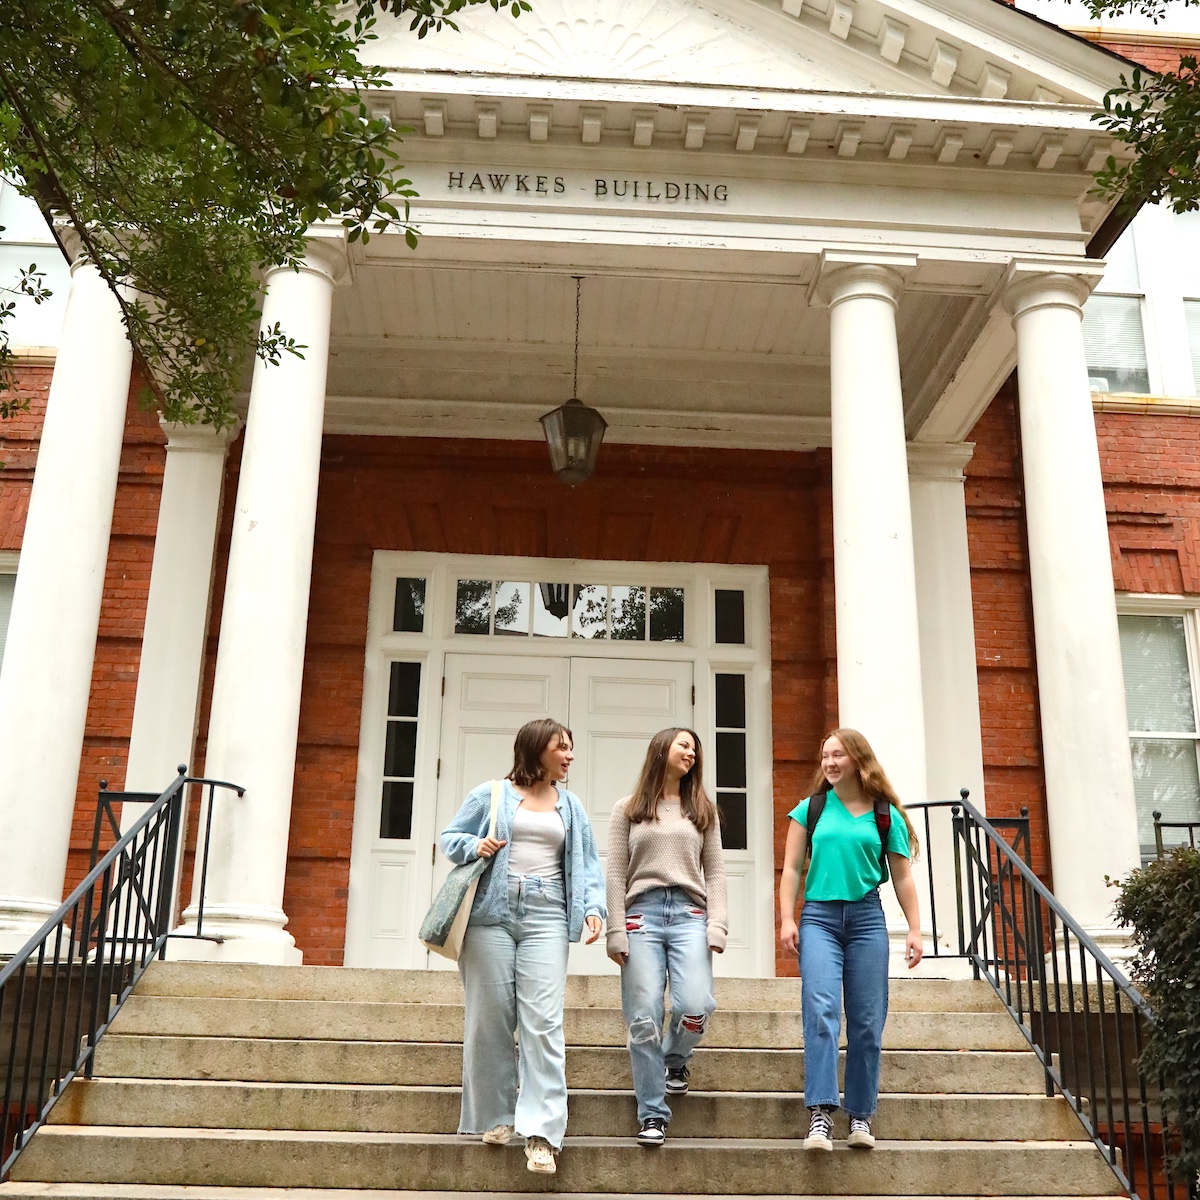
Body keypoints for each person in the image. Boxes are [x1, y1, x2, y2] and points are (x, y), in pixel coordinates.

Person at [440, 718, 606, 1176]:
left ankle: (542, 1134)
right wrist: (477, 845)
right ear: (537, 750)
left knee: (544, 1021)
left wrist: (595, 908)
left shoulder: (570, 806)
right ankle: (496, 1116)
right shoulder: (491, 795)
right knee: (490, 1015)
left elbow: (589, 864)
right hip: (490, 916)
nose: (570, 755)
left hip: (548, 914)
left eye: (571, 748)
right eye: (562, 747)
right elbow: (448, 841)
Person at [777, 728, 923, 1153]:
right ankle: (821, 1113)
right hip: (819, 918)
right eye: (825, 756)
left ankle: (861, 1114)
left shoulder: (885, 815)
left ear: (859, 760)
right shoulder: (811, 810)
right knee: (821, 1010)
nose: (830, 762)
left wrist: (914, 929)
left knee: (866, 1020)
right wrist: (788, 919)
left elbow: (902, 876)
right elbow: (790, 870)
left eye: (838, 754)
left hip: (866, 920)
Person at [606, 727, 727, 1148]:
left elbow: (716, 871)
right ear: (661, 749)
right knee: (642, 1020)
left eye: (695, 748)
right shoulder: (628, 809)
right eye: (684, 744)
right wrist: (615, 930)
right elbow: (615, 873)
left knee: (695, 1006)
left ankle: (675, 1057)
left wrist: (718, 924)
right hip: (641, 916)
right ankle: (652, 1114)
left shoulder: (702, 810)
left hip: (691, 915)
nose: (691, 752)